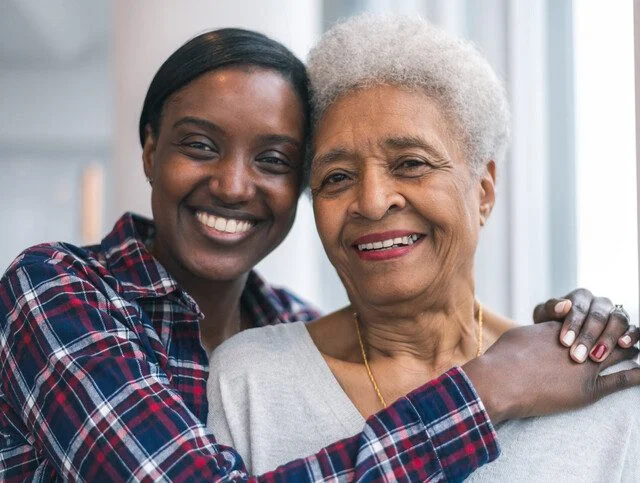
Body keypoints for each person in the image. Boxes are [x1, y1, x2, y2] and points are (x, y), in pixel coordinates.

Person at [0, 27, 635, 483]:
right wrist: (491, 386)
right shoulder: (57, 289)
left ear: (485, 189)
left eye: (273, 161)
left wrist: (592, 330)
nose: (233, 185)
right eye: (199, 145)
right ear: (148, 152)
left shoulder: (281, 318)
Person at [206, 16, 640, 480]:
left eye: (411, 163)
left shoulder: (596, 384)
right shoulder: (250, 380)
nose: (372, 202)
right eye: (337, 177)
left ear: (484, 191)